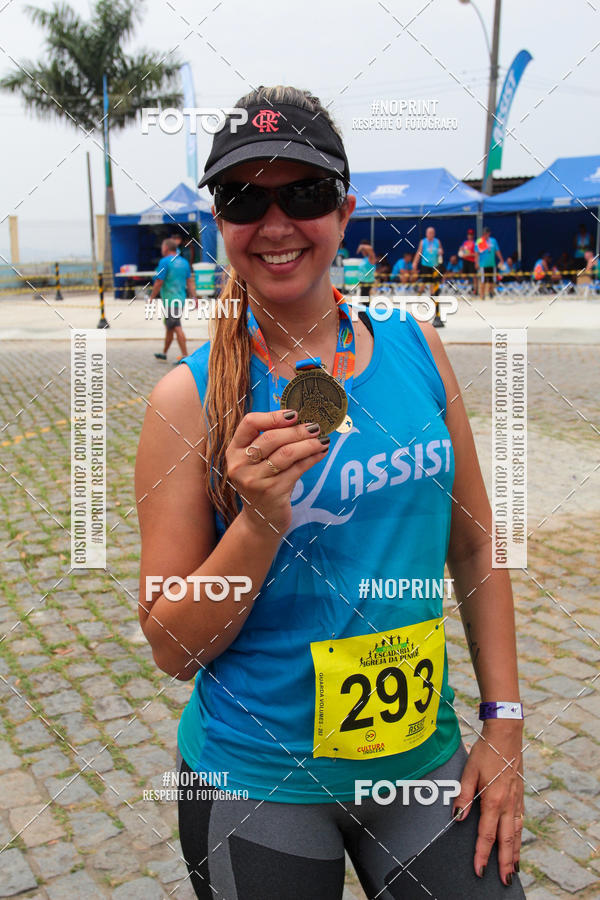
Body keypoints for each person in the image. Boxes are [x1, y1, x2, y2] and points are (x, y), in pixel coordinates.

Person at [135, 84, 525, 899]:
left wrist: (504, 726)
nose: (275, 225)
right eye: (245, 198)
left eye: (303, 194)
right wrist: (259, 522)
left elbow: (477, 544)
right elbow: (174, 649)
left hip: (423, 769)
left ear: (344, 211)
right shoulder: (187, 397)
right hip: (256, 782)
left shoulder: (416, 346)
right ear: (219, 224)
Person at [149, 238, 197, 363]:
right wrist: (194, 297)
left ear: (165, 248)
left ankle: (186, 356)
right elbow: (189, 281)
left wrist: (151, 297)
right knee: (169, 327)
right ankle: (164, 353)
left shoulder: (165, 262)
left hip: (171, 301)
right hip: (180, 299)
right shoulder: (184, 262)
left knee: (176, 326)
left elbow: (159, 281)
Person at [412, 226, 443, 297]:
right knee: (425, 280)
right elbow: (419, 252)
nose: (430, 234)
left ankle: (432, 295)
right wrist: (415, 262)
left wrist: (440, 252)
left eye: (432, 233)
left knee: (433, 280)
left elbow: (441, 250)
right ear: (426, 234)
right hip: (425, 265)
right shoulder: (423, 242)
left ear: (434, 234)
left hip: (435, 264)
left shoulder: (437, 241)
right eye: (429, 233)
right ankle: (419, 293)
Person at [476, 227, 503, 299]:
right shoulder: (479, 241)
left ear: (489, 233)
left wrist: (501, 259)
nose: (485, 234)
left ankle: (491, 293)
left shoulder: (493, 241)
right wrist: (476, 263)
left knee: (492, 280)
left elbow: (497, 251)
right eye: (484, 233)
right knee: (483, 280)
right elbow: (477, 253)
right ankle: (482, 295)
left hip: (492, 263)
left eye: (487, 233)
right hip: (483, 264)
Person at [458, 227, 478, 294]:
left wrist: (468, 255)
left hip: (472, 261)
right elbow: (462, 250)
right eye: (469, 234)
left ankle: (475, 290)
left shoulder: (475, 243)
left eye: (471, 235)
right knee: (464, 276)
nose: (470, 236)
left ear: (473, 235)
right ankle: (469, 288)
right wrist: (460, 250)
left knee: (474, 276)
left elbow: (476, 254)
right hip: (465, 261)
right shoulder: (465, 242)